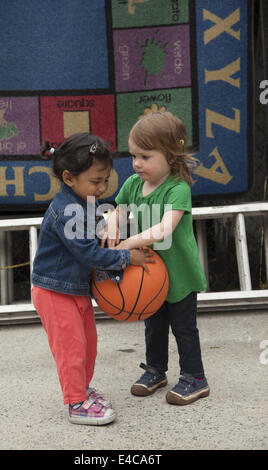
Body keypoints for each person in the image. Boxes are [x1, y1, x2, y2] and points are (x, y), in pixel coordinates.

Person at [31, 133, 153, 425]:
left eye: (105, 181)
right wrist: (127, 258)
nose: (102, 188)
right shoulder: (66, 211)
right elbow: (89, 254)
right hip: (54, 291)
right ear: (69, 178)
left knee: (88, 345)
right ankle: (75, 403)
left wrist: (121, 241)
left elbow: (97, 242)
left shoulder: (84, 203)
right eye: (96, 181)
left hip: (75, 289)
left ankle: (82, 390)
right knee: (71, 348)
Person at [102, 112, 210, 405]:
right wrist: (112, 220)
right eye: (134, 155)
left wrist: (127, 244)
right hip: (150, 275)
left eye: (145, 156)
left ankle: (195, 377)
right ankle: (155, 370)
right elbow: (119, 210)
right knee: (154, 325)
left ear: (171, 156)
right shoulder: (132, 184)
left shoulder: (178, 189)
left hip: (179, 274)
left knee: (184, 328)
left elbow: (164, 229)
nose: (137, 163)